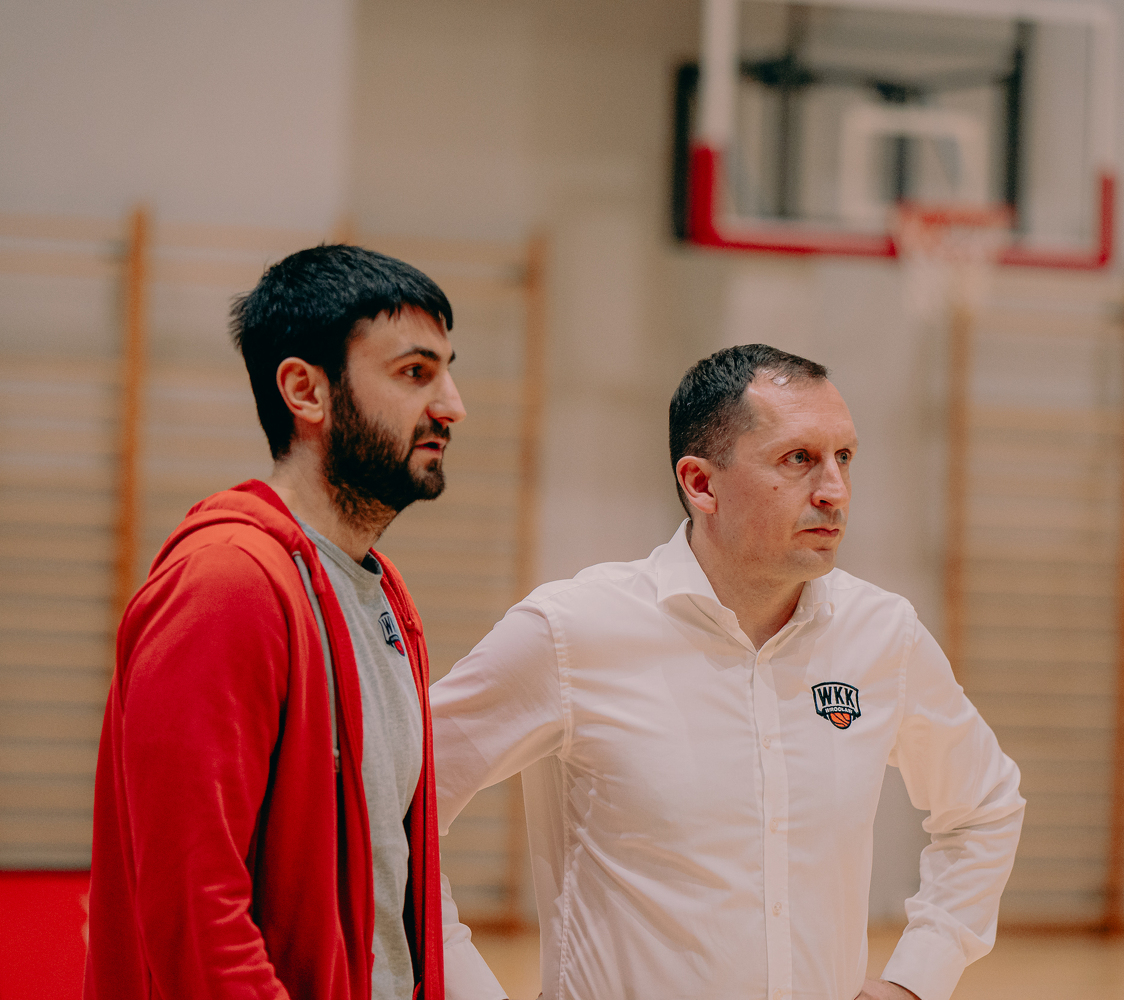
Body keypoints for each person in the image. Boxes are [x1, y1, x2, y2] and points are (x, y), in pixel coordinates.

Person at [431, 344, 1025, 1000]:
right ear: (701, 484)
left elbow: (985, 805)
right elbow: (387, 809)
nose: (834, 490)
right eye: (798, 459)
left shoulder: (882, 633)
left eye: (844, 457)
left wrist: (917, 978)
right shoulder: (569, 632)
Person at [85, 245, 498, 1000]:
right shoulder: (226, 584)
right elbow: (195, 910)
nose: (452, 405)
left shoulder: (384, 594)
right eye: (415, 373)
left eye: (446, 371)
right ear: (305, 391)